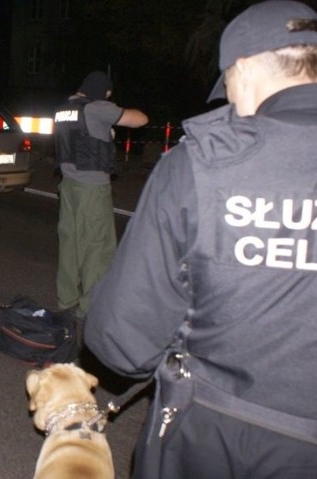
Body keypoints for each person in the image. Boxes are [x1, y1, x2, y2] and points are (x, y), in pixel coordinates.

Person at [84, 1, 317, 478]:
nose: (229, 97)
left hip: (218, 436)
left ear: (248, 65)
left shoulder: (201, 164)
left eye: (228, 81)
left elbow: (120, 342)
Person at [53, 71, 148, 320]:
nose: (108, 97)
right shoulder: (96, 108)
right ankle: (90, 308)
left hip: (68, 186)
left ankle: (66, 300)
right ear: (101, 91)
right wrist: (111, 107)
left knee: (70, 245)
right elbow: (140, 120)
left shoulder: (64, 108)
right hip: (91, 190)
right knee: (97, 248)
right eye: (108, 93)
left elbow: (81, 139)